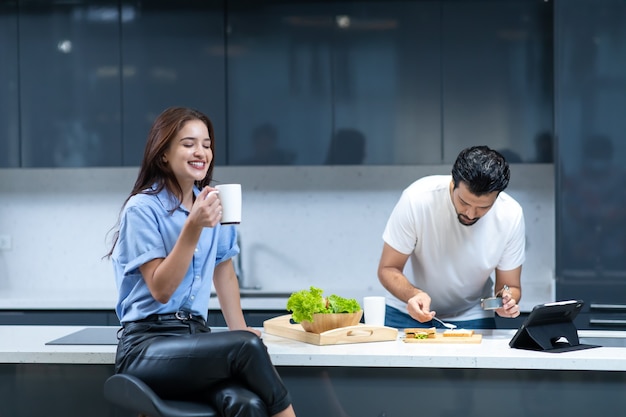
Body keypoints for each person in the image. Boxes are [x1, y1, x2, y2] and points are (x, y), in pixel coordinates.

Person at [105, 107, 297, 417]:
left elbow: (224, 272)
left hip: (194, 341)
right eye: (188, 143)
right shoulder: (142, 209)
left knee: (246, 403)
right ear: (164, 153)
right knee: (245, 348)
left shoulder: (210, 204)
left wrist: (240, 328)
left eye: (206, 144)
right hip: (146, 347)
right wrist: (193, 227)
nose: (201, 152)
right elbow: (161, 290)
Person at [377, 145, 525, 329]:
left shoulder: (511, 214)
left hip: (472, 314)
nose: (471, 214)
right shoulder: (417, 199)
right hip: (406, 310)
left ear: (497, 196)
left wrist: (507, 302)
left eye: (483, 207)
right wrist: (413, 295)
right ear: (453, 183)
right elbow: (388, 268)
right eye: (464, 202)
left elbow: (510, 286)